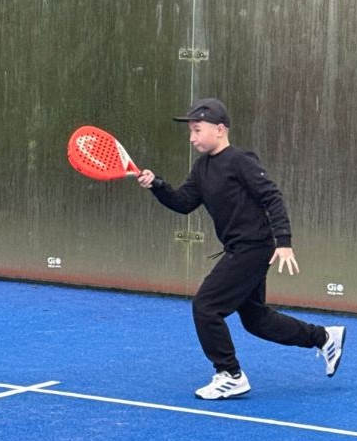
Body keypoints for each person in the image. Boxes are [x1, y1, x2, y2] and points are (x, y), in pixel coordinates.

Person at [136, 97, 345, 399]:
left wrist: (284, 242)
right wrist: (157, 184)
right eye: (190, 131)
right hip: (240, 248)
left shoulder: (240, 161)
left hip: (253, 248)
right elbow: (183, 203)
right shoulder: (202, 168)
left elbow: (272, 197)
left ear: (220, 129)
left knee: (206, 306)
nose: (192, 137)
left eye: (197, 130)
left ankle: (230, 374)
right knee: (256, 320)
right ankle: (324, 337)